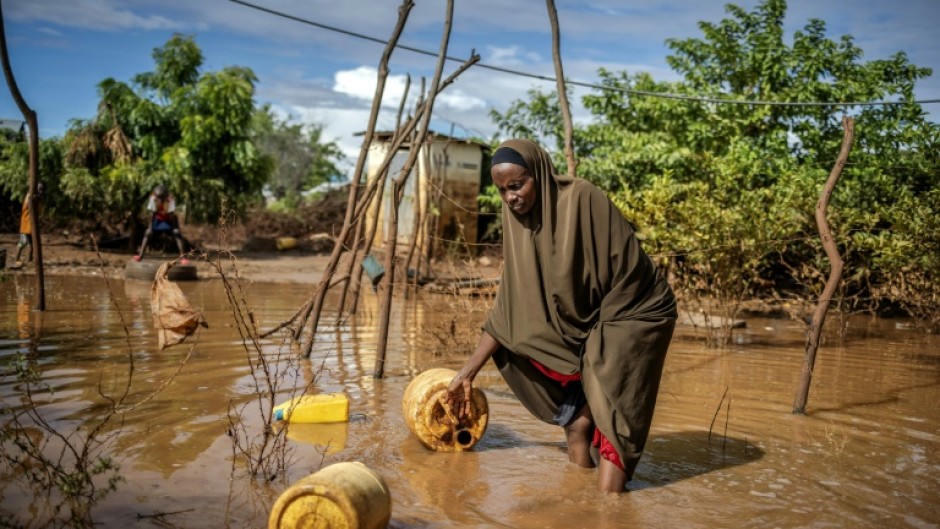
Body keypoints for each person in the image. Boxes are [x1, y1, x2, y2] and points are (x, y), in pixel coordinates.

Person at [444, 139, 677, 493]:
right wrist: (468, 371)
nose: (510, 198)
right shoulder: (518, 223)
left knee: (613, 414)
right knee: (578, 425)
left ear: (538, 174)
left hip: (636, 310)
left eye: (517, 185)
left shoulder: (582, 199)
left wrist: (595, 354)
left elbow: (626, 272)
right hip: (592, 318)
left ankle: (608, 509)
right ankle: (577, 502)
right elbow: (507, 312)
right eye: (502, 190)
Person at [134, 185, 189, 264]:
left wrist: (175, 228)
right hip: (158, 220)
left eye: (162, 198)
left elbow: (172, 215)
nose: (160, 200)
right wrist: (150, 228)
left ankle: (183, 257)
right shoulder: (153, 199)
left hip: (168, 220)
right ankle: (140, 255)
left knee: (177, 233)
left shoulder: (170, 200)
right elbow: (153, 214)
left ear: (165, 196)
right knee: (148, 233)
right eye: (158, 198)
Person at [14, 183, 42, 267]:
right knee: (23, 242)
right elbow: (28, 204)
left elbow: (39, 211)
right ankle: (17, 259)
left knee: (31, 244)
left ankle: (29, 260)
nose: (40, 191)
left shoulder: (38, 198)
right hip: (26, 224)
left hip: (32, 225)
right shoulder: (29, 195)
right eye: (39, 189)